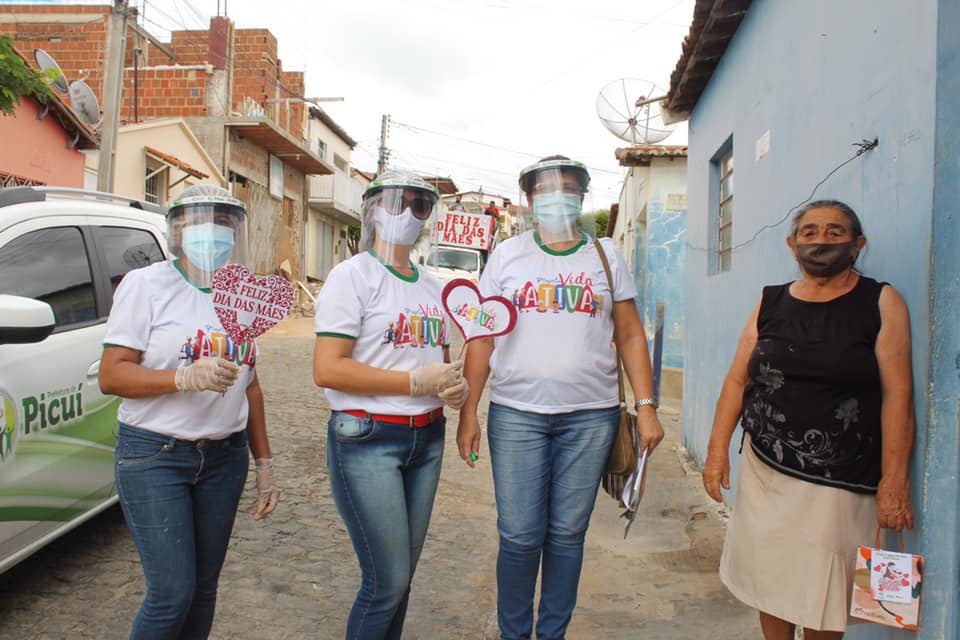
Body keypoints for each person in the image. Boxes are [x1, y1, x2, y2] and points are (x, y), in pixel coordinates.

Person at [457, 155, 664, 640]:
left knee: (568, 535)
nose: (558, 196)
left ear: (582, 197)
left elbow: (630, 334)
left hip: (590, 419)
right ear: (530, 199)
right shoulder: (507, 256)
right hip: (517, 415)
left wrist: (647, 407)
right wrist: (469, 411)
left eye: (569, 188)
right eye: (547, 189)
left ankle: (552, 634)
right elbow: (482, 336)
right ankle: (513, 633)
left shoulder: (605, 256)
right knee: (519, 535)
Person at [702, 200, 915, 640]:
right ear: (792, 243)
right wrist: (716, 451)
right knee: (768, 578)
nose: (821, 240)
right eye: (810, 232)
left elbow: (898, 397)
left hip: (842, 477)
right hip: (765, 470)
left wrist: (894, 481)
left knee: (824, 590)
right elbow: (738, 379)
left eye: (835, 232)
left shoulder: (881, 302)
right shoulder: (771, 301)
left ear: (858, 244)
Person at [99, 184, 279, 639]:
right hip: (156, 455)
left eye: (225, 222)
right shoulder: (147, 285)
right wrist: (182, 377)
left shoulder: (241, 295)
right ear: (178, 231)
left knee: (203, 589)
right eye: (202, 221)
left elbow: (251, 384)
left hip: (224, 458)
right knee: (171, 594)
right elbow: (112, 375)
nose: (213, 232)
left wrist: (264, 463)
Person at [313, 169, 469, 640]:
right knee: (387, 582)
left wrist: (451, 387)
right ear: (372, 210)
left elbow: (439, 361)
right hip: (368, 437)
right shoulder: (352, 276)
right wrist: (412, 382)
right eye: (397, 202)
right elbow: (328, 368)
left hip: (427, 438)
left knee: (402, 582)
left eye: (420, 205)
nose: (408, 213)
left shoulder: (433, 287)